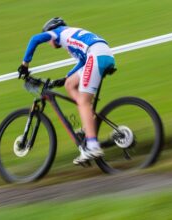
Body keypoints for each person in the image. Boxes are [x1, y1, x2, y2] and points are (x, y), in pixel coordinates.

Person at [18, 17, 115, 165]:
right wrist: (65, 78)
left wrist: (24, 65)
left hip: (95, 56)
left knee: (83, 101)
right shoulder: (70, 34)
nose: (50, 43)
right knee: (70, 84)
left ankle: (93, 146)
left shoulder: (57, 33)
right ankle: (87, 124)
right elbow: (83, 62)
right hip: (102, 54)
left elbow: (34, 39)